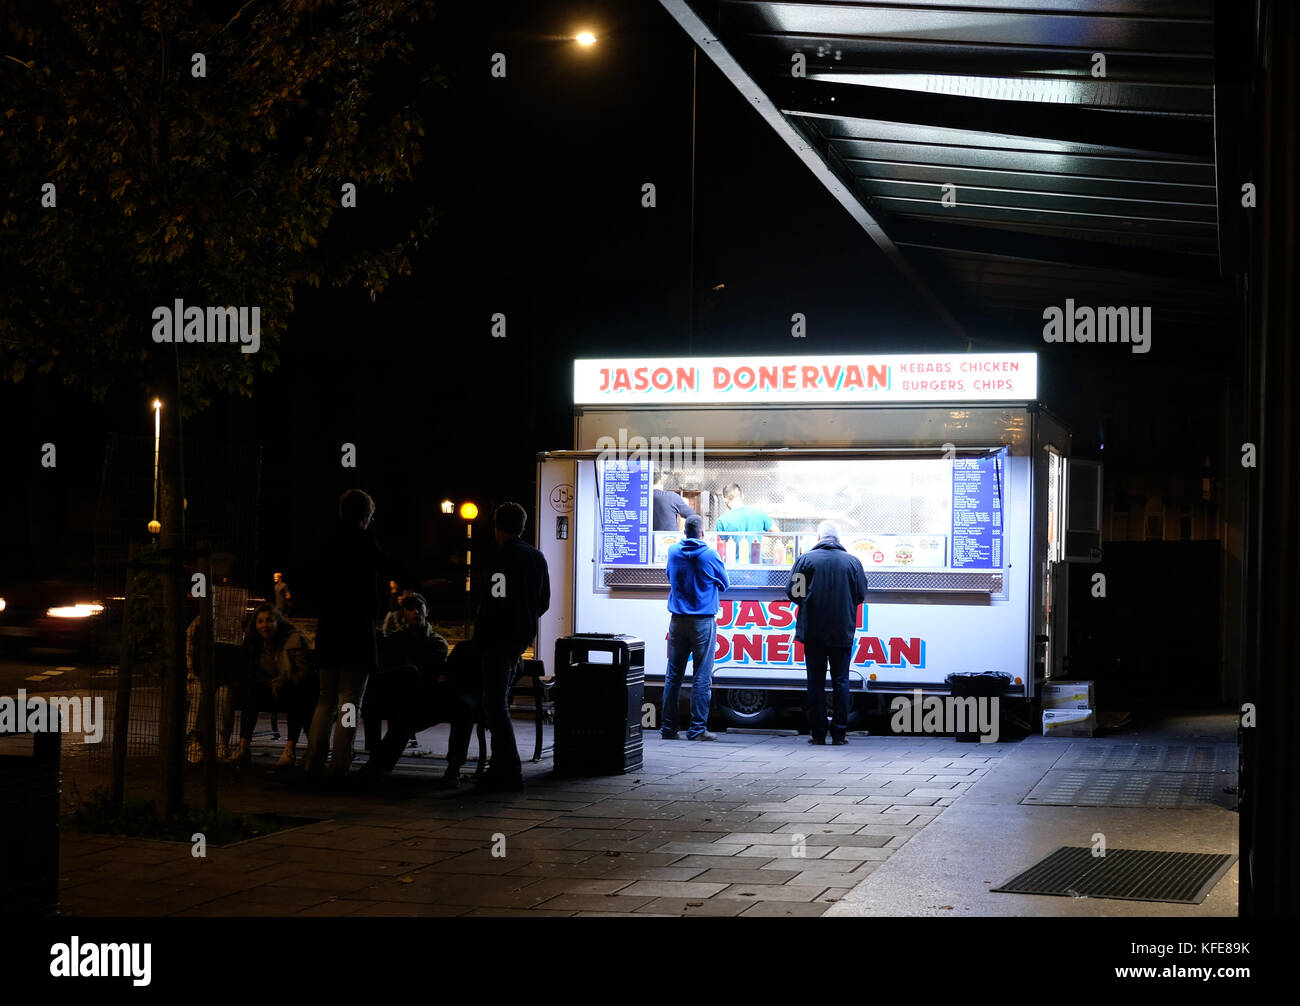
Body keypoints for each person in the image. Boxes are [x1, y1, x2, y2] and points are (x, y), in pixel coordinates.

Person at [305, 489, 382, 780]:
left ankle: (313, 760)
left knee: (325, 699)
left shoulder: (326, 541)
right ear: (365, 515)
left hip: (330, 627)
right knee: (350, 700)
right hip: (357, 630)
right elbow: (382, 565)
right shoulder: (365, 541)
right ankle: (340, 763)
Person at [473, 502, 550, 792]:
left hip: (496, 640)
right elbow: (544, 601)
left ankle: (508, 769)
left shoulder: (498, 559)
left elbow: (492, 602)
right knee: (499, 702)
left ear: (497, 526)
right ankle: (500, 766)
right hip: (519, 640)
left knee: (494, 705)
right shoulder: (536, 557)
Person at [361, 616, 481, 791]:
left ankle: (378, 764)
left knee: (460, 709)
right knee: (408, 717)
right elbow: (446, 669)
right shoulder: (466, 649)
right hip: (453, 695)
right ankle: (378, 764)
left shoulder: (473, 650)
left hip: (466, 696)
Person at [785, 520, 868, 745]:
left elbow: (794, 592)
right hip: (842, 631)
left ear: (819, 538)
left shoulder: (806, 561)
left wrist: (810, 601)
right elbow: (860, 594)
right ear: (839, 539)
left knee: (815, 683)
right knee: (841, 681)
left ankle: (818, 733)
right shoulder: (852, 562)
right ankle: (839, 734)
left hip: (813, 631)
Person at [662, 514, 729, 741]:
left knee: (673, 676)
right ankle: (697, 729)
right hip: (702, 622)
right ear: (702, 534)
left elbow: (669, 575)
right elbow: (725, 583)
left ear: (684, 533)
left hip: (677, 621)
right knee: (701, 676)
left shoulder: (673, 552)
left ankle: (669, 729)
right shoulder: (710, 554)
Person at [224, 604, 317, 767]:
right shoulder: (254, 643)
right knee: (250, 693)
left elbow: (306, 672)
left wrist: (284, 681)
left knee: (298, 695)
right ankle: (243, 748)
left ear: (277, 622)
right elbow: (250, 671)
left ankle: (289, 749)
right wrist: (269, 683)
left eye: (269, 620)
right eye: (260, 621)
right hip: (267, 688)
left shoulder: (294, 639)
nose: (264, 625)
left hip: (291, 687)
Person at [364, 591, 448, 757]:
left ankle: (376, 759)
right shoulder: (396, 639)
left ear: (427, 611)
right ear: (404, 614)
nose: (416, 612)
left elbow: (425, 674)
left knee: (407, 675)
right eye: (410, 608)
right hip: (395, 695)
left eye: (419, 608)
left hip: (421, 698)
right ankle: (375, 754)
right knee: (372, 698)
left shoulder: (437, 643)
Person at [715, 483, 778, 559]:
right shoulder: (759, 513)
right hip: (758, 566)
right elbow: (776, 533)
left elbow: (722, 552)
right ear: (742, 496)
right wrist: (758, 532)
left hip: (734, 568)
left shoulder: (722, 520)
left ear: (725, 500)